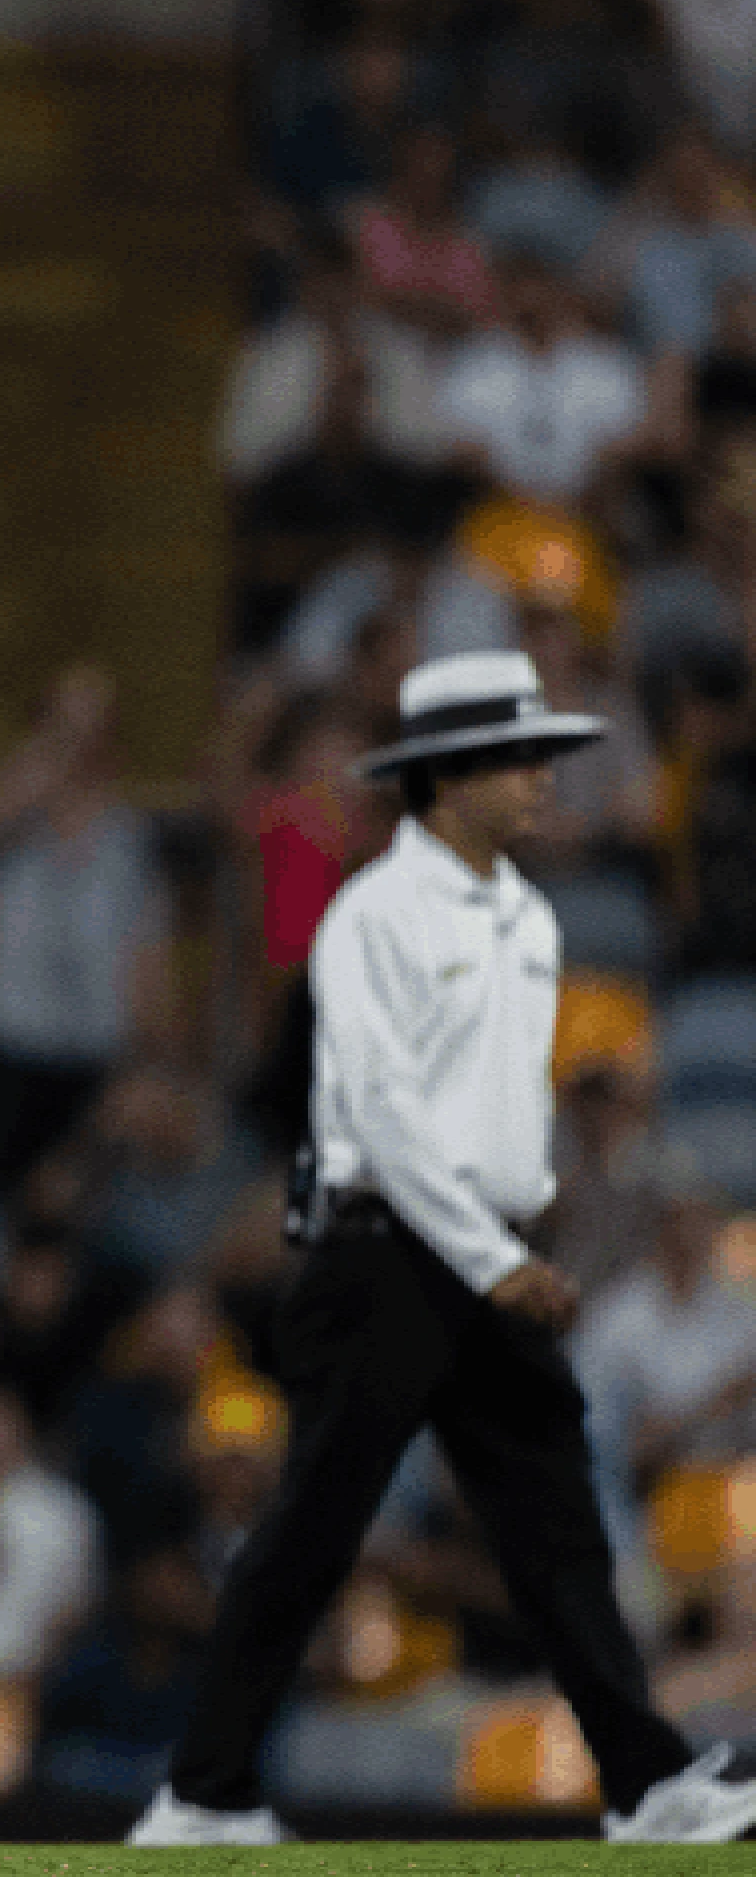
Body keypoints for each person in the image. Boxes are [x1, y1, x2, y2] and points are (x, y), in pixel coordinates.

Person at [131, 651, 756, 1849]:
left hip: (479, 1256)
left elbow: (500, 1119)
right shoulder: (377, 917)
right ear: (451, 777)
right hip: (388, 1252)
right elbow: (383, 1109)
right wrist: (490, 1251)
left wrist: (525, 1228)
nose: (541, 777)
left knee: (554, 1518)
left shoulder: (522, 913)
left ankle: (646, 1783)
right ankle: (203, 1794)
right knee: (318, 1518)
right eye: (518, 757)